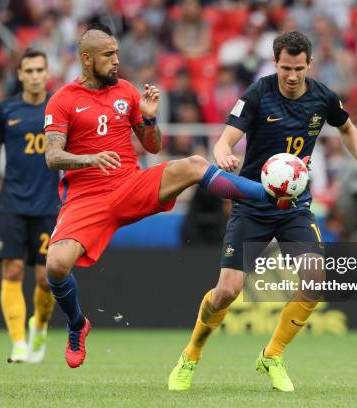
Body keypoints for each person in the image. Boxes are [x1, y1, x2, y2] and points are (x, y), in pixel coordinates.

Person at [43, 23, 281, 369]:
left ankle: (268, 193)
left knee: (194, 164)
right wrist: (88, 158)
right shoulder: (63, 99)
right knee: (56, 265)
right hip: (86, 197)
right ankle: (77, 324)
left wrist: (150, 120)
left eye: (117, 54)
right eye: (108, 55)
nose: (116, 61)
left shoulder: (126, 91)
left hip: (128, 185)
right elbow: (52, 157)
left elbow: (153, 147)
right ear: (86, 58)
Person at [168, 31, 357, 392]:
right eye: (286, 67)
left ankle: (272, 354)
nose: (291, 75)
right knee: (227, 292)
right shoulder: (258, 94)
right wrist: (223, 152)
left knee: (315, 281)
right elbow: (225, 138)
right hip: (253, 204)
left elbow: (346, 128)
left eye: (299, 68)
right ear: (275, 62)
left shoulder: (322, 96)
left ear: (309, 65)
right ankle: (190, 354)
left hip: (295, 207)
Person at [0, 49, 59, 364]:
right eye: (29, 70)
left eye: (40, 70)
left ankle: (39, 323)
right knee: (12, 269)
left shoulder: (59, 107)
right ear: (20, 74)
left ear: (47, 73)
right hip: (11, 203)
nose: (35, 75)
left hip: (50, 205)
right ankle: (19, 342)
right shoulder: (5, 110)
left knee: (46, 278)